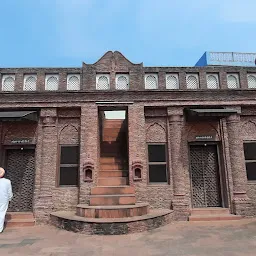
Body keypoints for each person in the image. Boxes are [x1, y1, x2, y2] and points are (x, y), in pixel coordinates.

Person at [0, 167, 13, 233]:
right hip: (3, 199)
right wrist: (10, 198)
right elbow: (9, 192)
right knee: (1, 213)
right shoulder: (7, 182)